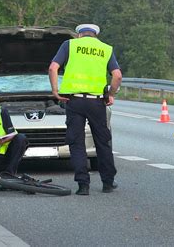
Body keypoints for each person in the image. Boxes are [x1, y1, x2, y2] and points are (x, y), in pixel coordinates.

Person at [48, 23, 123, 195]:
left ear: (79, 35)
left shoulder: (70, 45)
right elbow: (117, 75)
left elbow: (53, 67)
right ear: (95, 35)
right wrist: (110, 94)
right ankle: (108, 182)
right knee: (102, 142)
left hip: (74, 101)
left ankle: (83, 185)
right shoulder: (105, 48)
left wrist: (55, 90)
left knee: (77, 142)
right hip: (97, 102)